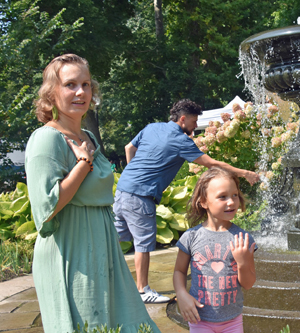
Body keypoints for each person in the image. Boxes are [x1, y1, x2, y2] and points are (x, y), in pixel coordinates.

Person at [25, 54, 160, 333]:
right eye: (70, 84)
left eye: (86, 85)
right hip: (71, 251)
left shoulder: (89, 136)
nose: (80, 92)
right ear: (52, 93)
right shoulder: (46, 139)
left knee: (126, 322)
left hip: (102, 248)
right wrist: (83, 164)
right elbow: (45, 207)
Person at [114, 99, 260, 303]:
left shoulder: (152, 127)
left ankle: (104, 280)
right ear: (182, 119)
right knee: (143, 243)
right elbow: (211, 163)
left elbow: (129, 147)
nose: (194, 126)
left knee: (115, 239)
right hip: (140, 196)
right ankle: (142, 290)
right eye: (193, 121)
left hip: (122, 190)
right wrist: (244, 173)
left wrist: (133, 175)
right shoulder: (180, 141)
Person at [173, 167, 257, 332]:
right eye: (222, 197)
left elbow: (248, 284)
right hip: (199, 319)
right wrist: (181, 294)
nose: (231, 202)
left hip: (232, 320)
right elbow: (179, 271)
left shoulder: (243, 239)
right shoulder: (191, 237)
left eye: (234, 195)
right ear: (203, 202)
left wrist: (242, 263)